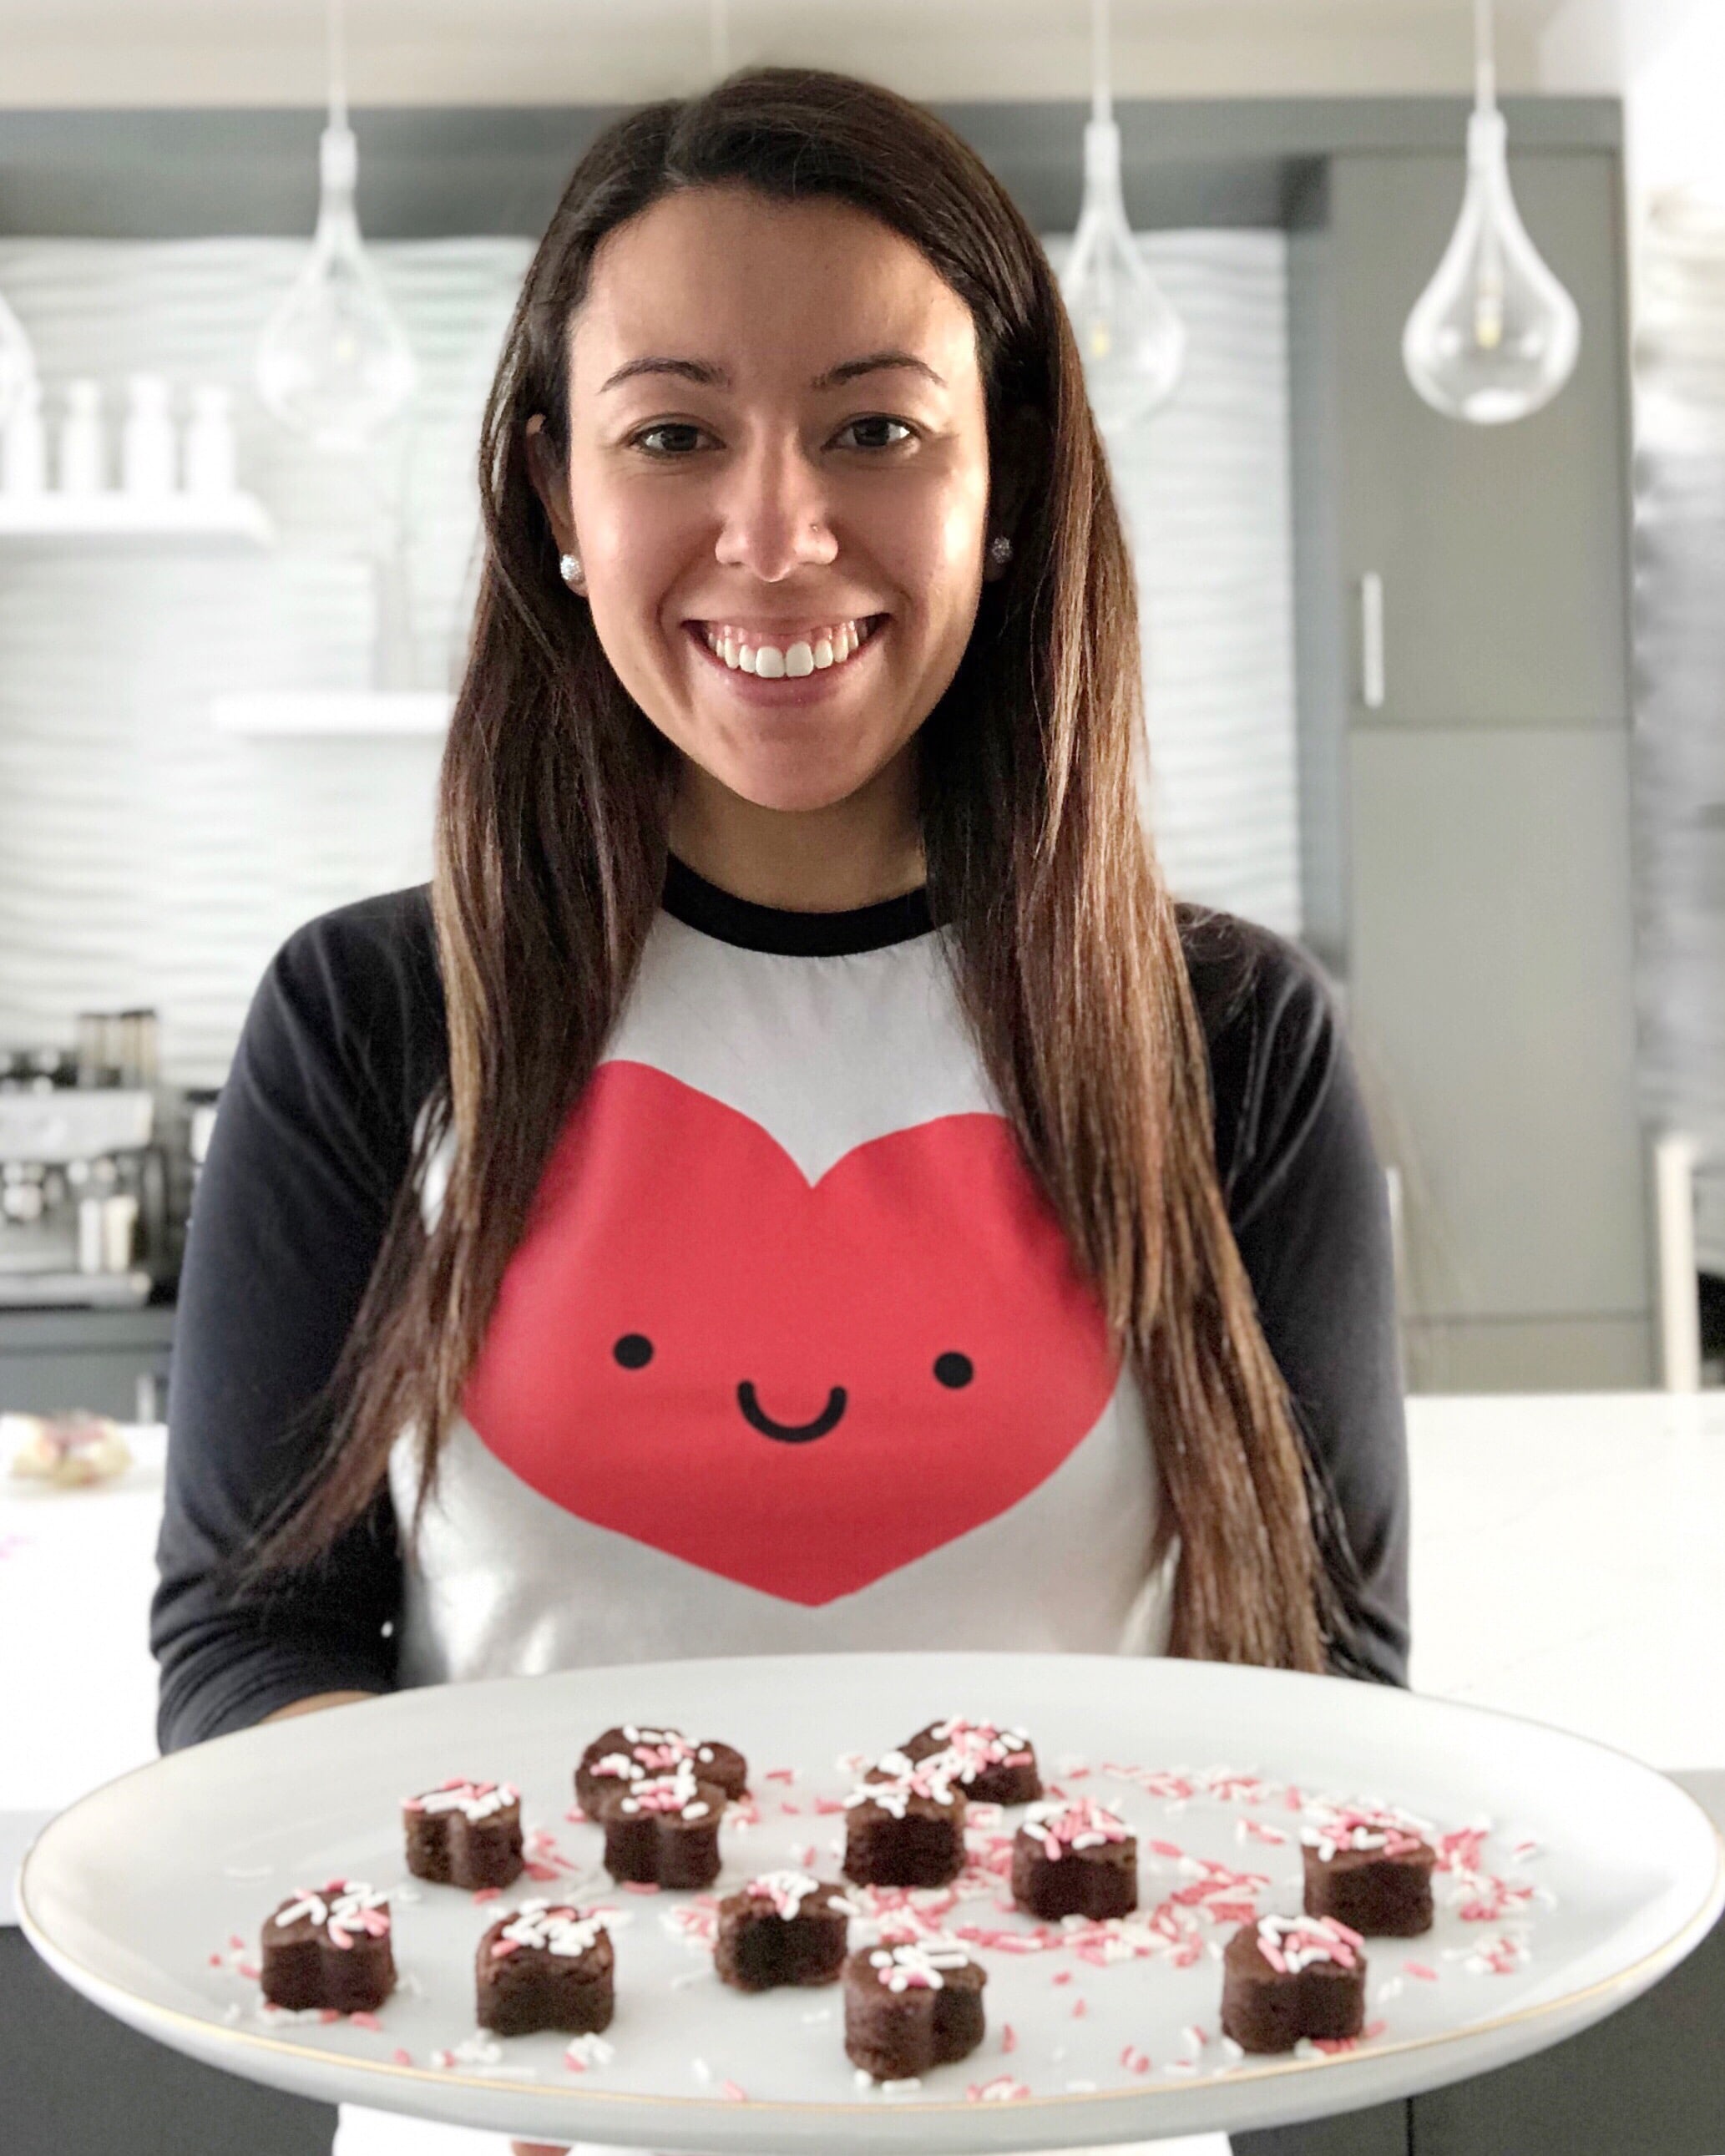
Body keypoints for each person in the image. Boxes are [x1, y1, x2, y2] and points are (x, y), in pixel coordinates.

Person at [150, 66, 1409, 2156]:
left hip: (1064, 2118)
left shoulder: (1227, 1036)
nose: (774, 531)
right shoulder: (371, 1016)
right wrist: (498, 1978)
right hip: (510, 2113)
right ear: (558, 491)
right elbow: (248, 1633)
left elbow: (1324, 1683)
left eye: (873, 426)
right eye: (671, 433)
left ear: (1002, 482)